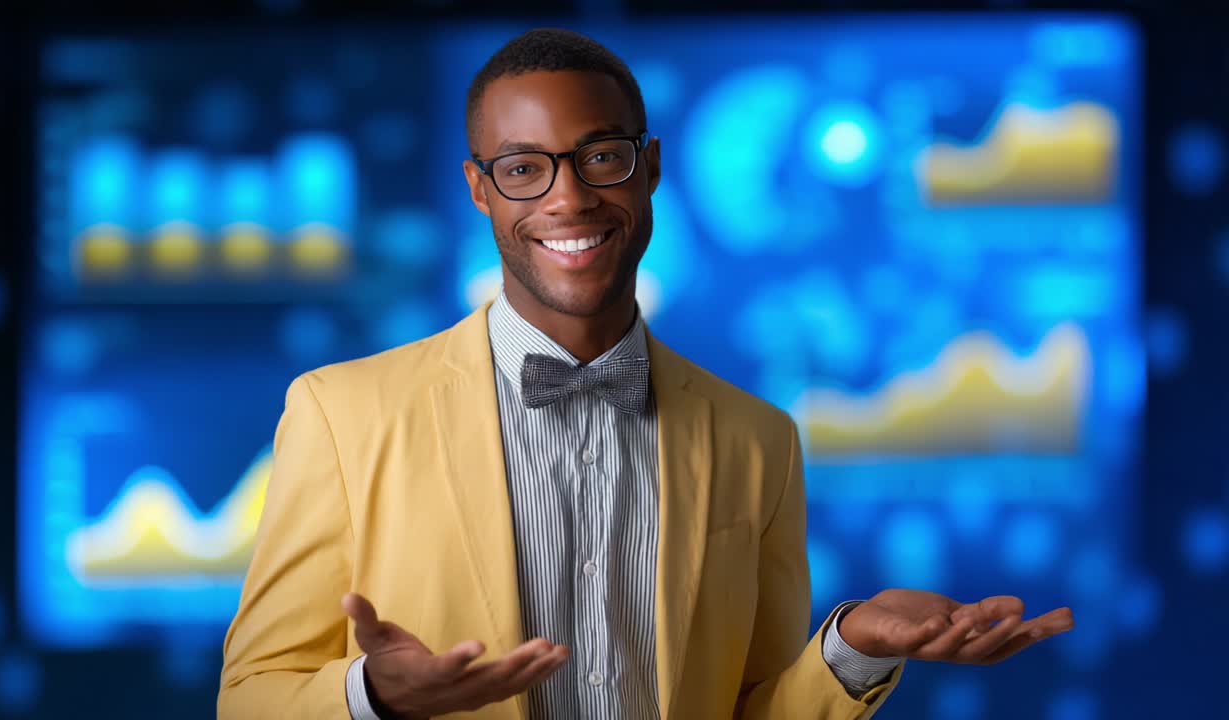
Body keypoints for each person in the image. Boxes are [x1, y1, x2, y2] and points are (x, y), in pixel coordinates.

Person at [217, 28, 1075, 720]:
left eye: (600, 157)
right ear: (480, 190)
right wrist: (372, 697)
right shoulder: (341, 414)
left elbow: (753, 709)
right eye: (523, 168)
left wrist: (852, 647)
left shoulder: (759, 440)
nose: (568, 198)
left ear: (651, 166)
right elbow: (250, 697)